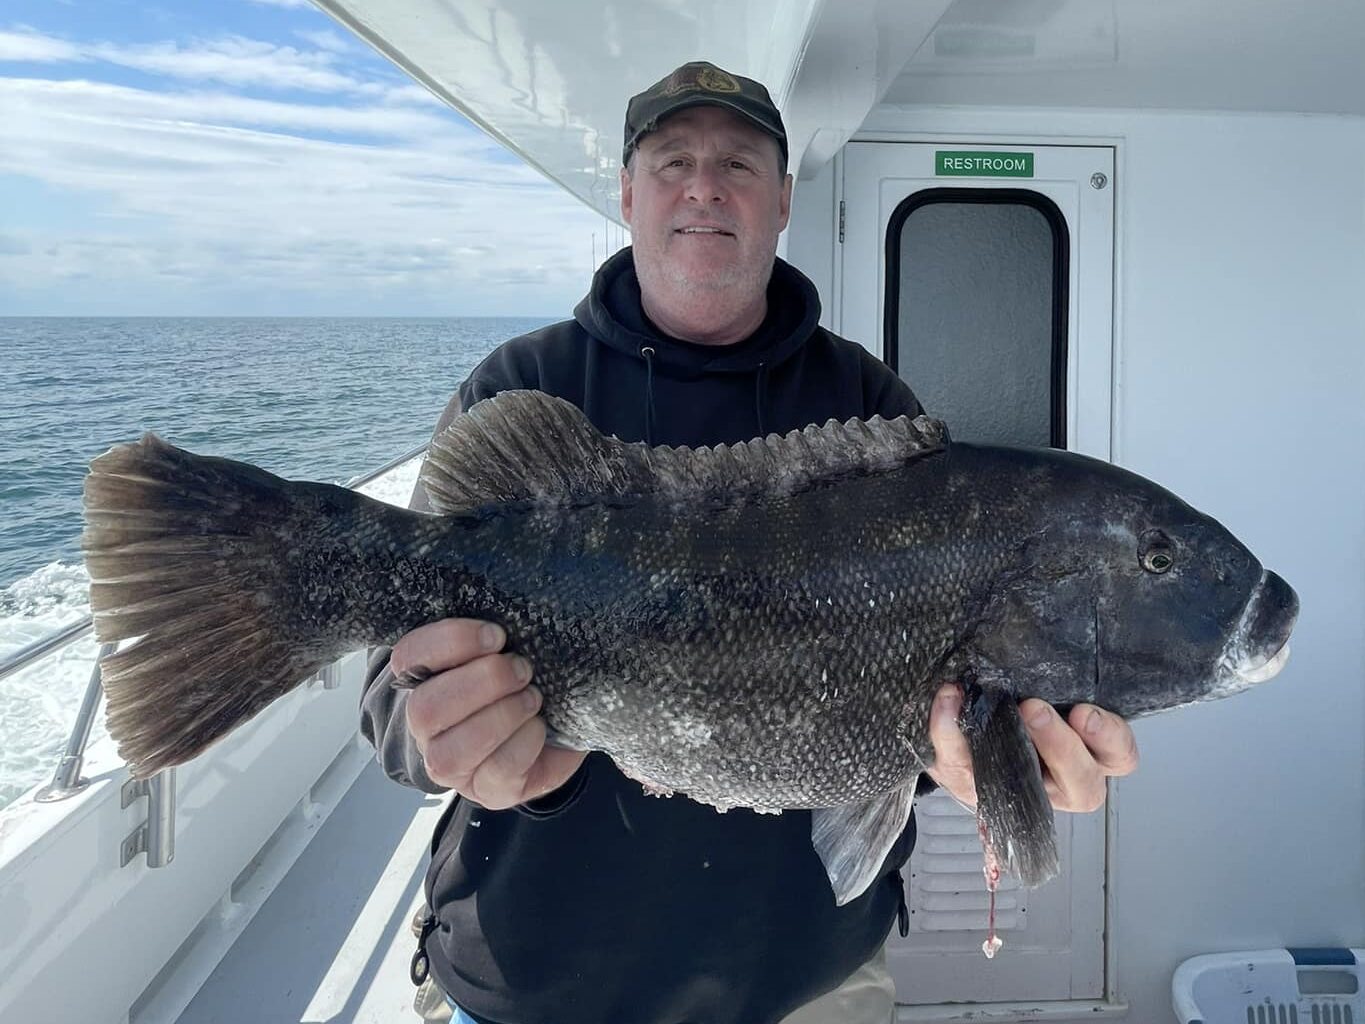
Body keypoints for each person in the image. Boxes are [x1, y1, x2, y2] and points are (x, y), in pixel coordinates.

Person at [361, 60, 1139, 1024]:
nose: (703, 185)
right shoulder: (520, 387)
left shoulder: (870, 409)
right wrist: (455, 739)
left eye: (738, 162)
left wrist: (981, 764)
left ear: (779, 202)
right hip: (534, 976)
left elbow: (921, 719)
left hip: (801, 980)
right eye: (671, 159)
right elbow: (389, 710)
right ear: (628, 195)